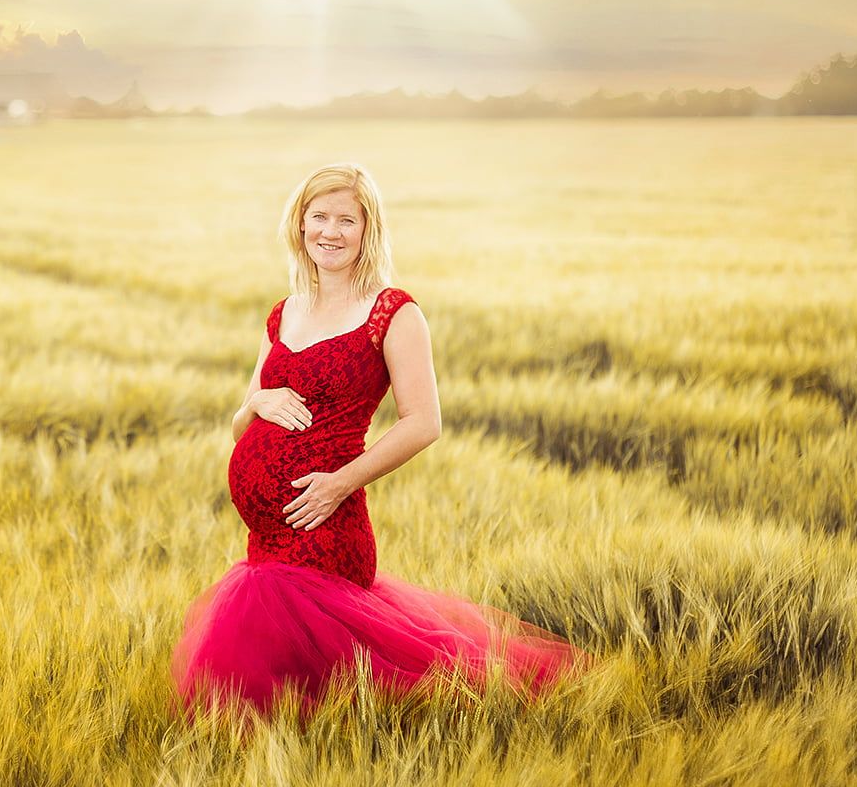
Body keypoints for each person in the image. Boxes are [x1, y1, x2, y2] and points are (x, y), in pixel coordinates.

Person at [170, 162, 593, 720]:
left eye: (347, 219)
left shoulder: (393, 312)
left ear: (368, 230)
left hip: (324, 523)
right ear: (299, 226)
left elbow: (424, 421)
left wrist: (338, 485)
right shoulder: (285, 313)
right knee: (260, 696)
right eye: (318, 216)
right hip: (264, 541)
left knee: (338, 689)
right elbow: (239, 429)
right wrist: (256, 403)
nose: (331, 231)